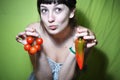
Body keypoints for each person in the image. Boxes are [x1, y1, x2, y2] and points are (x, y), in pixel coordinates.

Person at [16, 0, 97, 80]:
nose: (50, 19)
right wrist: (38, 49)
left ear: (71, 12)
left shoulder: (85, 37)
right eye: (44, 10)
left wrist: (76, 49)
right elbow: (42, 78)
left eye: (58, 9)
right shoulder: (34, 31)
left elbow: (71, 76)